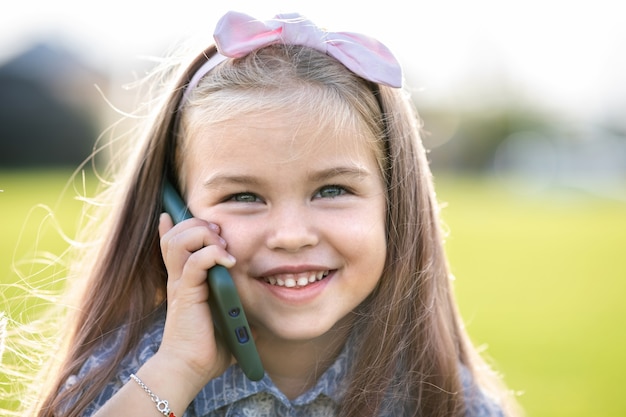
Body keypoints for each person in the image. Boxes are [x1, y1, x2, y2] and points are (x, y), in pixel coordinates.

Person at [26, 10, 520, 417]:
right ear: (176, 214)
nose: (289, 235)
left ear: (395, 207)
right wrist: (176, 369)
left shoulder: (442, 398)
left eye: (332, 189)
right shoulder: (134, 373)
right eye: (243, 197)